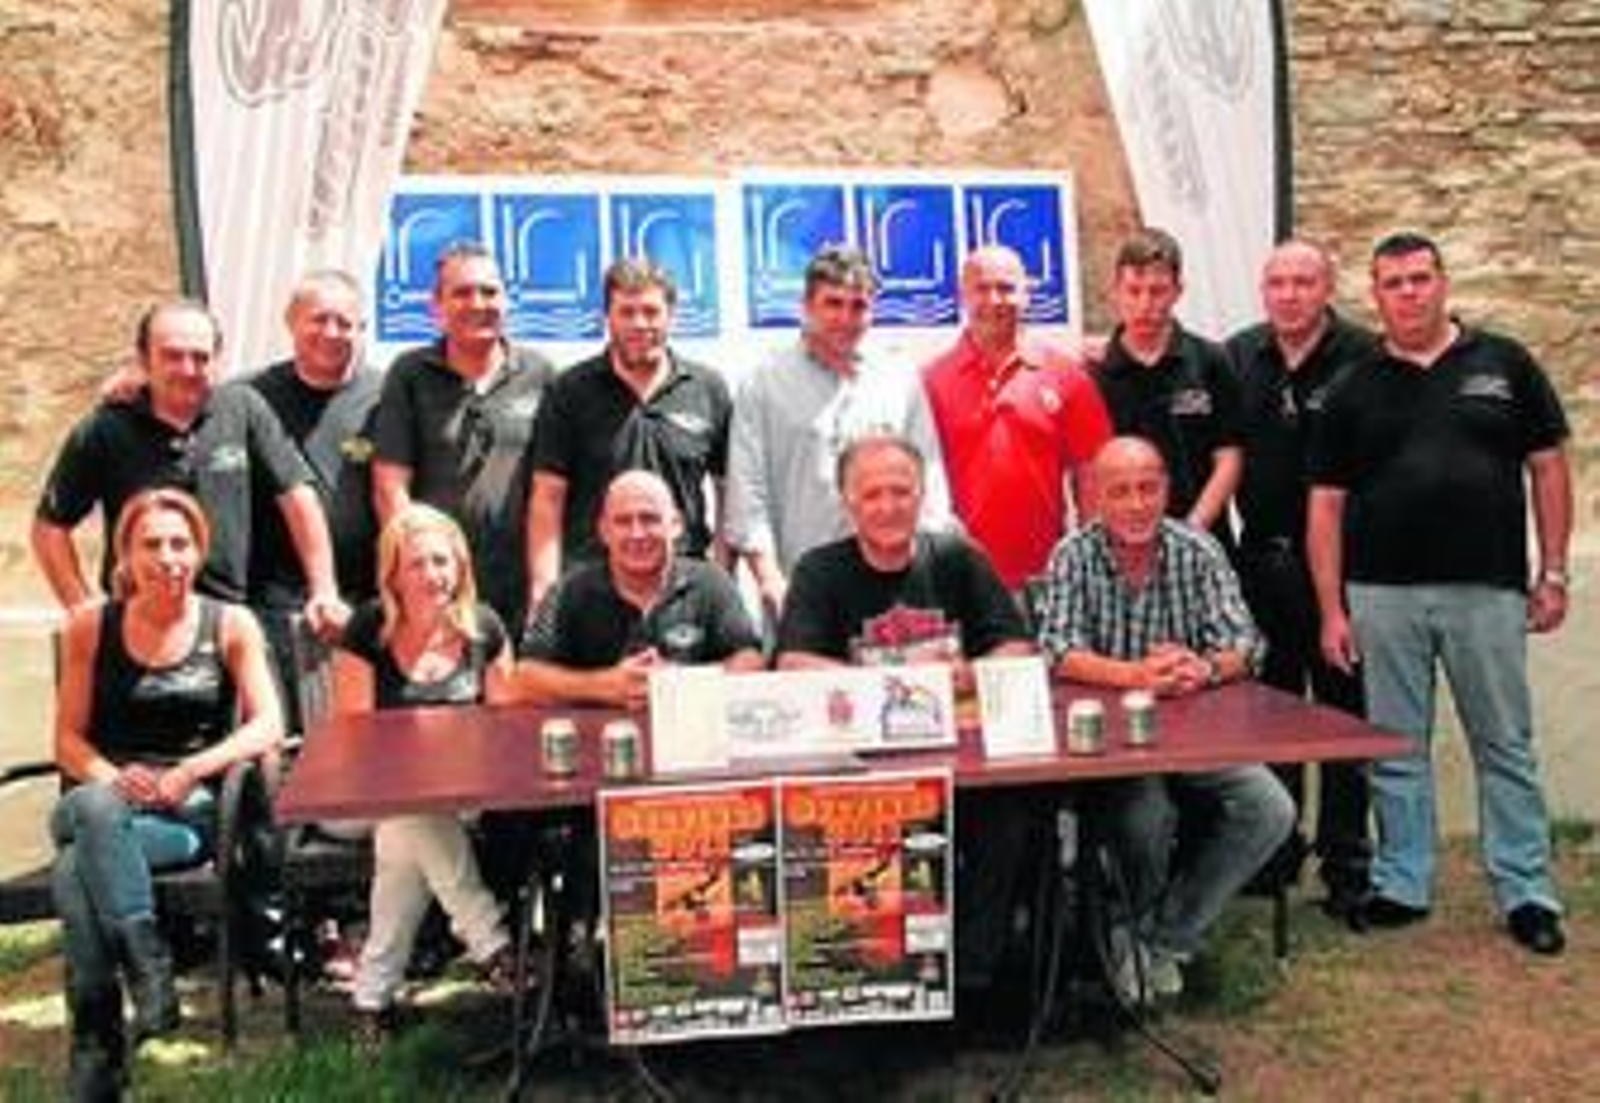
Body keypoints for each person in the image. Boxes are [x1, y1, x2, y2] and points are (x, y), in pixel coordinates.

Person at [1307, 231, 1571, 955]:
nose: (1409, 293)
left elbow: (1548, 467)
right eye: (1393, 283)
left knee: (1506, 744)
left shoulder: (1504, 364)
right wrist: (1333, 608)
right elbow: (1325, 505)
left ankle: (1526, 890)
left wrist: (1553, 572)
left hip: (1487, 590)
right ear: (1376, 293)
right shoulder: (1353, 387)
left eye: (1420, 278)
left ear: (1443, 282)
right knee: (1396, 747)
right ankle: (1403, 881)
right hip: (1381, 595)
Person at [773, 432, 1035, 1000]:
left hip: (961, 758)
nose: (888, 506)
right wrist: (893, 683)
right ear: (847, 501)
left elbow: (1016, 648)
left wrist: (968, 673)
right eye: (872, 494)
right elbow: (791, 661)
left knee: (1011, 815)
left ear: (922, 495)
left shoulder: (959, 558)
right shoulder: (820, 570)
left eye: (901, 491)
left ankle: (972, 975)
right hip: (859, 764)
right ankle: (865, 976)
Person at [1035, 437, 1294, 999]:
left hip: (1197, 735)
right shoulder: (1071, 555)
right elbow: (1057, 649)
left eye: (1147, 488)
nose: (1135, 504)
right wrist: (1137, 676)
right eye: (1120, 491)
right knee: (1145, 818)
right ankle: (1127, 936)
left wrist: (1201, 667)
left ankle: (1164, 937)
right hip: (1111, 745)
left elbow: (1247, 644)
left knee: (1271, 808)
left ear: (1166, 490)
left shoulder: (1197, 550)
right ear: (1096, 497)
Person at [50, 488, 284, 1099]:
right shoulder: (89, 626)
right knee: (96, 811)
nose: (168, 557)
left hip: (186, 813)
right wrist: (111, 777)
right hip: (103, 796)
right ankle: (147, 964)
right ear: (124, 555)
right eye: (150, 544)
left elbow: (268, 724)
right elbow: (67, 742)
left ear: (199, 549)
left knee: (76, 869)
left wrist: (189, 770)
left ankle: (96, 1048)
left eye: (180, 543)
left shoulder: (229, 624)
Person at [32, 301, 344, 637]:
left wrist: (324, 589)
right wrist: (82, 608)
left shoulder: (242, 409)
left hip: (230, 621)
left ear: (217, 360)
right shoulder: (105, 429)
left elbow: (298, 498)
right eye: (172, 355)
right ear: (143, 359)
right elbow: (49, 529)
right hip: (136, 624)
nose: (188, 368)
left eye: (201, 357)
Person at [1225, 240, 1377, 915]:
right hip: (1261, 562)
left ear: (1327, 288)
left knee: (1344, 718)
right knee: (1273, 717)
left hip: (1344, 568)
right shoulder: (1238, 356)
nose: (1289, 294)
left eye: (1303, 281)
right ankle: (1277, 853)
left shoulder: (1366, 357)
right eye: (1277, 282)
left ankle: (1347, 862)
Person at [331, 504, 516, 1043]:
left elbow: (508, 727)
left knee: (407, 835)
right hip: (366, 794)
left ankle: (373, 997)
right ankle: (489, 940)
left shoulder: (485, 627)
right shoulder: (368, 630)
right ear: (392, 572)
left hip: (464, 794)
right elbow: (354, 739)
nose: (433, 575)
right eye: (417, 564)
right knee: (410, 809)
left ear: (460, 566)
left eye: (442, 561)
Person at [725, 244, 955, 621]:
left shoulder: (899, 379)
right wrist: (769, 580)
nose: (846, 318)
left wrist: (927, 576)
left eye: (859, 306)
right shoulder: (763, 383)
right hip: (799, 590)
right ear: (806, 305)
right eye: (833, 303)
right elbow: (748, 494)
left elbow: (928, 482)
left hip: (895, 591)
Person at [527, 257, 733, 610]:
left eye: (651, 312)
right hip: (591, 587)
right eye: (627, 312)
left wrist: (722, 577)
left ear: (671, 314)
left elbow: (729, 492)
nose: (640, 324)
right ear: (607, 317)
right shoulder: (570, 391)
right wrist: (544, 588)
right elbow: (548, 498)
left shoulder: (707, 388)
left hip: (686, 586)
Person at [372, 242, 554, 632]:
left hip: (519, 588)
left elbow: (550, 492)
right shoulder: (410, 374)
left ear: (507, 300)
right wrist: (420, 572)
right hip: (439, 588)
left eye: (489, 291)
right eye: (462, 292)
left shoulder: (540, 375)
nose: (478, 303)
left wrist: (544, 583)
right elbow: (389, 488)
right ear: (436, 307)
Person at [922, 244, 1112, 591]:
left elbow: (1090, 475)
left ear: (1026, 295)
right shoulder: (931, 380)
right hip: (958, 579)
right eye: (981, 288)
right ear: (962, 296)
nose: (995, 299)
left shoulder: (1067, 376)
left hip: (1047, 578)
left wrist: (1089, 563)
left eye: (1006, 288)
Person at [517, 469, 764, 705]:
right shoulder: (570, 591)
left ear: (676, 524)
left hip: (689, 738)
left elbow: (751, 662)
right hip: (595, 740)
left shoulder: (711, 583)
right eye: (623, 521)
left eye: (649, 519)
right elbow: (526, 676)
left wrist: (677, 684)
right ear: (603, 530)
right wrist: (604, 686)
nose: (637, 533)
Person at [1091, 228, 1242, 548]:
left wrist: (1192, 530)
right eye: (1134, 290)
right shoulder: (1095, 372)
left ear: (1178, 291)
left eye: (1157, 291)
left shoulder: (1211, 360)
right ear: (1115, 291)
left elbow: (1230, 457)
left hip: (1202, 541)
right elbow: (1089, 470)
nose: (1145, 303)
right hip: (1121, 546)